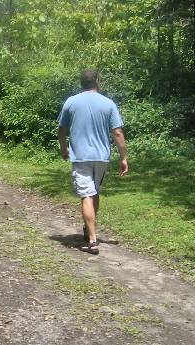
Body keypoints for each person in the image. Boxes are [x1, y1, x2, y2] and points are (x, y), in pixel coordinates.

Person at [57, 69, 128, 255]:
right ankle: (89, 229)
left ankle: (92, 240)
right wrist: (123, 157)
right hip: (102, 156)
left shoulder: (71, 102)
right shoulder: (108, 103)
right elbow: (118, 133)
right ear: (97, 81)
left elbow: (61, 129)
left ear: (81, 82)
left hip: (81, 157)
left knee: (86, 195)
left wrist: (64, 148)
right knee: (94, 192)